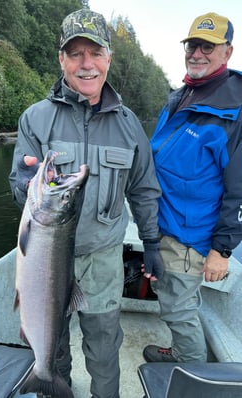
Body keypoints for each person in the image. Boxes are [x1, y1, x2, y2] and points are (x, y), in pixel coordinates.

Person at [9, 7, 164, 398]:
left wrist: (152, 242)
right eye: (75, 53)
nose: (86, 64)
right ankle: (51, 386)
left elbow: (144, 189)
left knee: (104, 348)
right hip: (46, 258)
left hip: (104, 259)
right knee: (53, 345)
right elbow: (19, 182)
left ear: (109, 58)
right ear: (61, 59)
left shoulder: (130, 125)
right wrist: (28, 184)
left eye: (95, 53)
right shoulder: (35, 118)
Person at [143, 12, 242, 363]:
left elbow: (239, 190)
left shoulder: (235, 111)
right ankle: (183, 352)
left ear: (227, 53)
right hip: (163, 228)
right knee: (169, 299)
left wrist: (222, 250)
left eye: (207, 47)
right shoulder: (181, 96)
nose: (197, 53)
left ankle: (189, 372)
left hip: (191, 238)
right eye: (192, 45)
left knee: (179, 311)